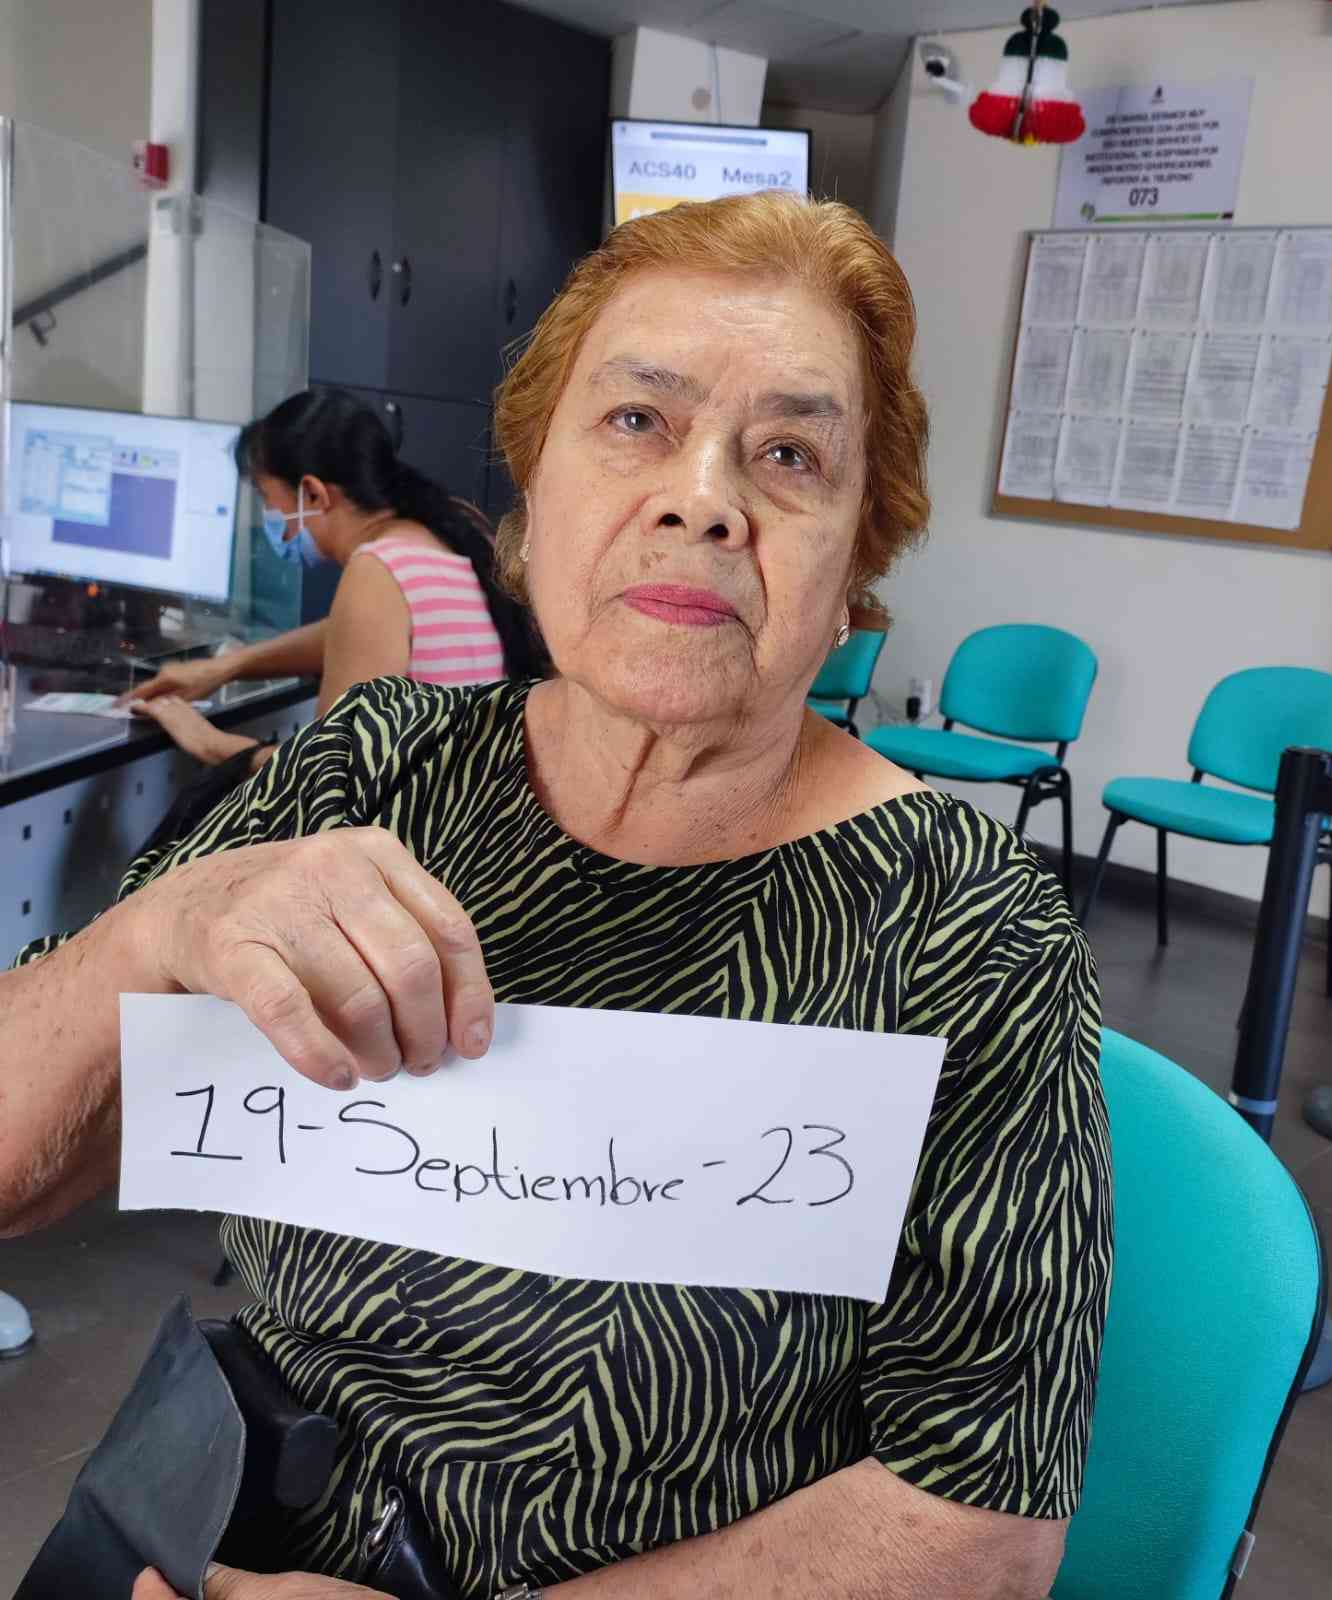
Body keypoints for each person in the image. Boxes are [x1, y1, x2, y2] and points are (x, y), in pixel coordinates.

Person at [1, 192, 1112, 1600]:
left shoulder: (971, 930)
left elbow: (981, 1530)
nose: (702, 497)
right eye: (637, 420)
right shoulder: (374, 767)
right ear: (534, 498)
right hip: (223, 1532)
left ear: (853, 570)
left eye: (788, 455)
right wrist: (158, 928)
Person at [120, 388, 539, 769]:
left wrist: (210, 743)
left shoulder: (378, 571)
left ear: (313, 494)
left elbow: (331, 776)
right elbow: (357, 632)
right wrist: (224, 668)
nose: (269, 516)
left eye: (268, 498)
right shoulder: (455, 530)